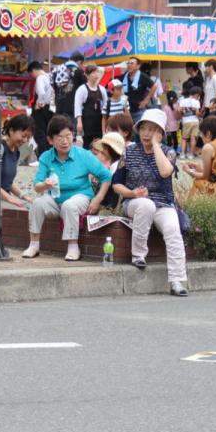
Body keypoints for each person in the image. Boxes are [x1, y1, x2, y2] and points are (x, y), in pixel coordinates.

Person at [112, 109, 188, 296]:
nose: (146, 133)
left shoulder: (168, 153)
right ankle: (138, 255)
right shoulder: (129, 152)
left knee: (172, 229)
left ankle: (177, 280)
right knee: (146, 205)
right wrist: (132, 193)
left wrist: (155, 146)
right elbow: (116, 184)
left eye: (152, 130)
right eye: (144, 128)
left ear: (160, 133)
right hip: (136, 202)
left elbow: (164, 172)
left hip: (163, 203)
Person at [23, 115, 113, 261]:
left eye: (68, 136)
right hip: (55, 198)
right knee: (37, 204)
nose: (65, 141)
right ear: (50, 140)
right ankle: (34, 245)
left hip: (81, 197)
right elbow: (37, 186)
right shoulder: (46, 157)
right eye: (59, 137)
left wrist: (98, 199)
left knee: (69, 205)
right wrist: (45, 185)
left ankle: (73, 247)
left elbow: (106, 176)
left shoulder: (83, 155)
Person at [0, 113, 35, 208]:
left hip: (4, 196)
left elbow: (8, 183)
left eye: (28, 138)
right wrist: (9, 198)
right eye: (23, 136)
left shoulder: (16, 152)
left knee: (33, 207)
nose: (25, 140)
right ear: (11, 131)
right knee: (23, 213)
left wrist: (23, 196)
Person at [73, 63, 105, 149]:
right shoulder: (82, 89)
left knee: (99, 145)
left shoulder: (102, 89)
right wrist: (79, 122)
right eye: (93, 73)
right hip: (86, 122)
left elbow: (105, 106)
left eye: (97, 72)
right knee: (87, 144)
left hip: (99, 122)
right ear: (87, 75)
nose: (96, 75)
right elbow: (77, 107)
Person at [90, 131, 125, 209]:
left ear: (113, 150)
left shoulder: (117, 166)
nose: (102, 151)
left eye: (105, 148)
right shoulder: (115, 164)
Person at [29, 61, 54, 155]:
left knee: (39, 133)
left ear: (33, 70)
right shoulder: (50, 76)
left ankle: (42, 156)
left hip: (41, 109)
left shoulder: (40, 78)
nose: (32, 76)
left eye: (31, 74)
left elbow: (41, 92)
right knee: (48, 132)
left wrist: (39, 103)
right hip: (50, 108)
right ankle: (49, 155)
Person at [122, 57, 154, 122]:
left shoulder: (142, 76)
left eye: (132, 63)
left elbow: (154, 86)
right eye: (128, 63)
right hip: (126, 110)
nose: (129, 65)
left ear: (138, 66)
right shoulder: (124, 76)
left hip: (139, 110)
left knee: (139, 129)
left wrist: (147, 99)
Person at [179, 86, 202, 157]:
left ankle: (182, 154)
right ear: (196, 94)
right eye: (198, 95)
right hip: (195, 121)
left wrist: (184, 112)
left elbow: (180, 111)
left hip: (186, 121)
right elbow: (198, 114)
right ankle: (191, 154)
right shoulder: (197, 102)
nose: (198, 97)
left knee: (184, 138)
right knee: (193, 138)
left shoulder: (183, 101)